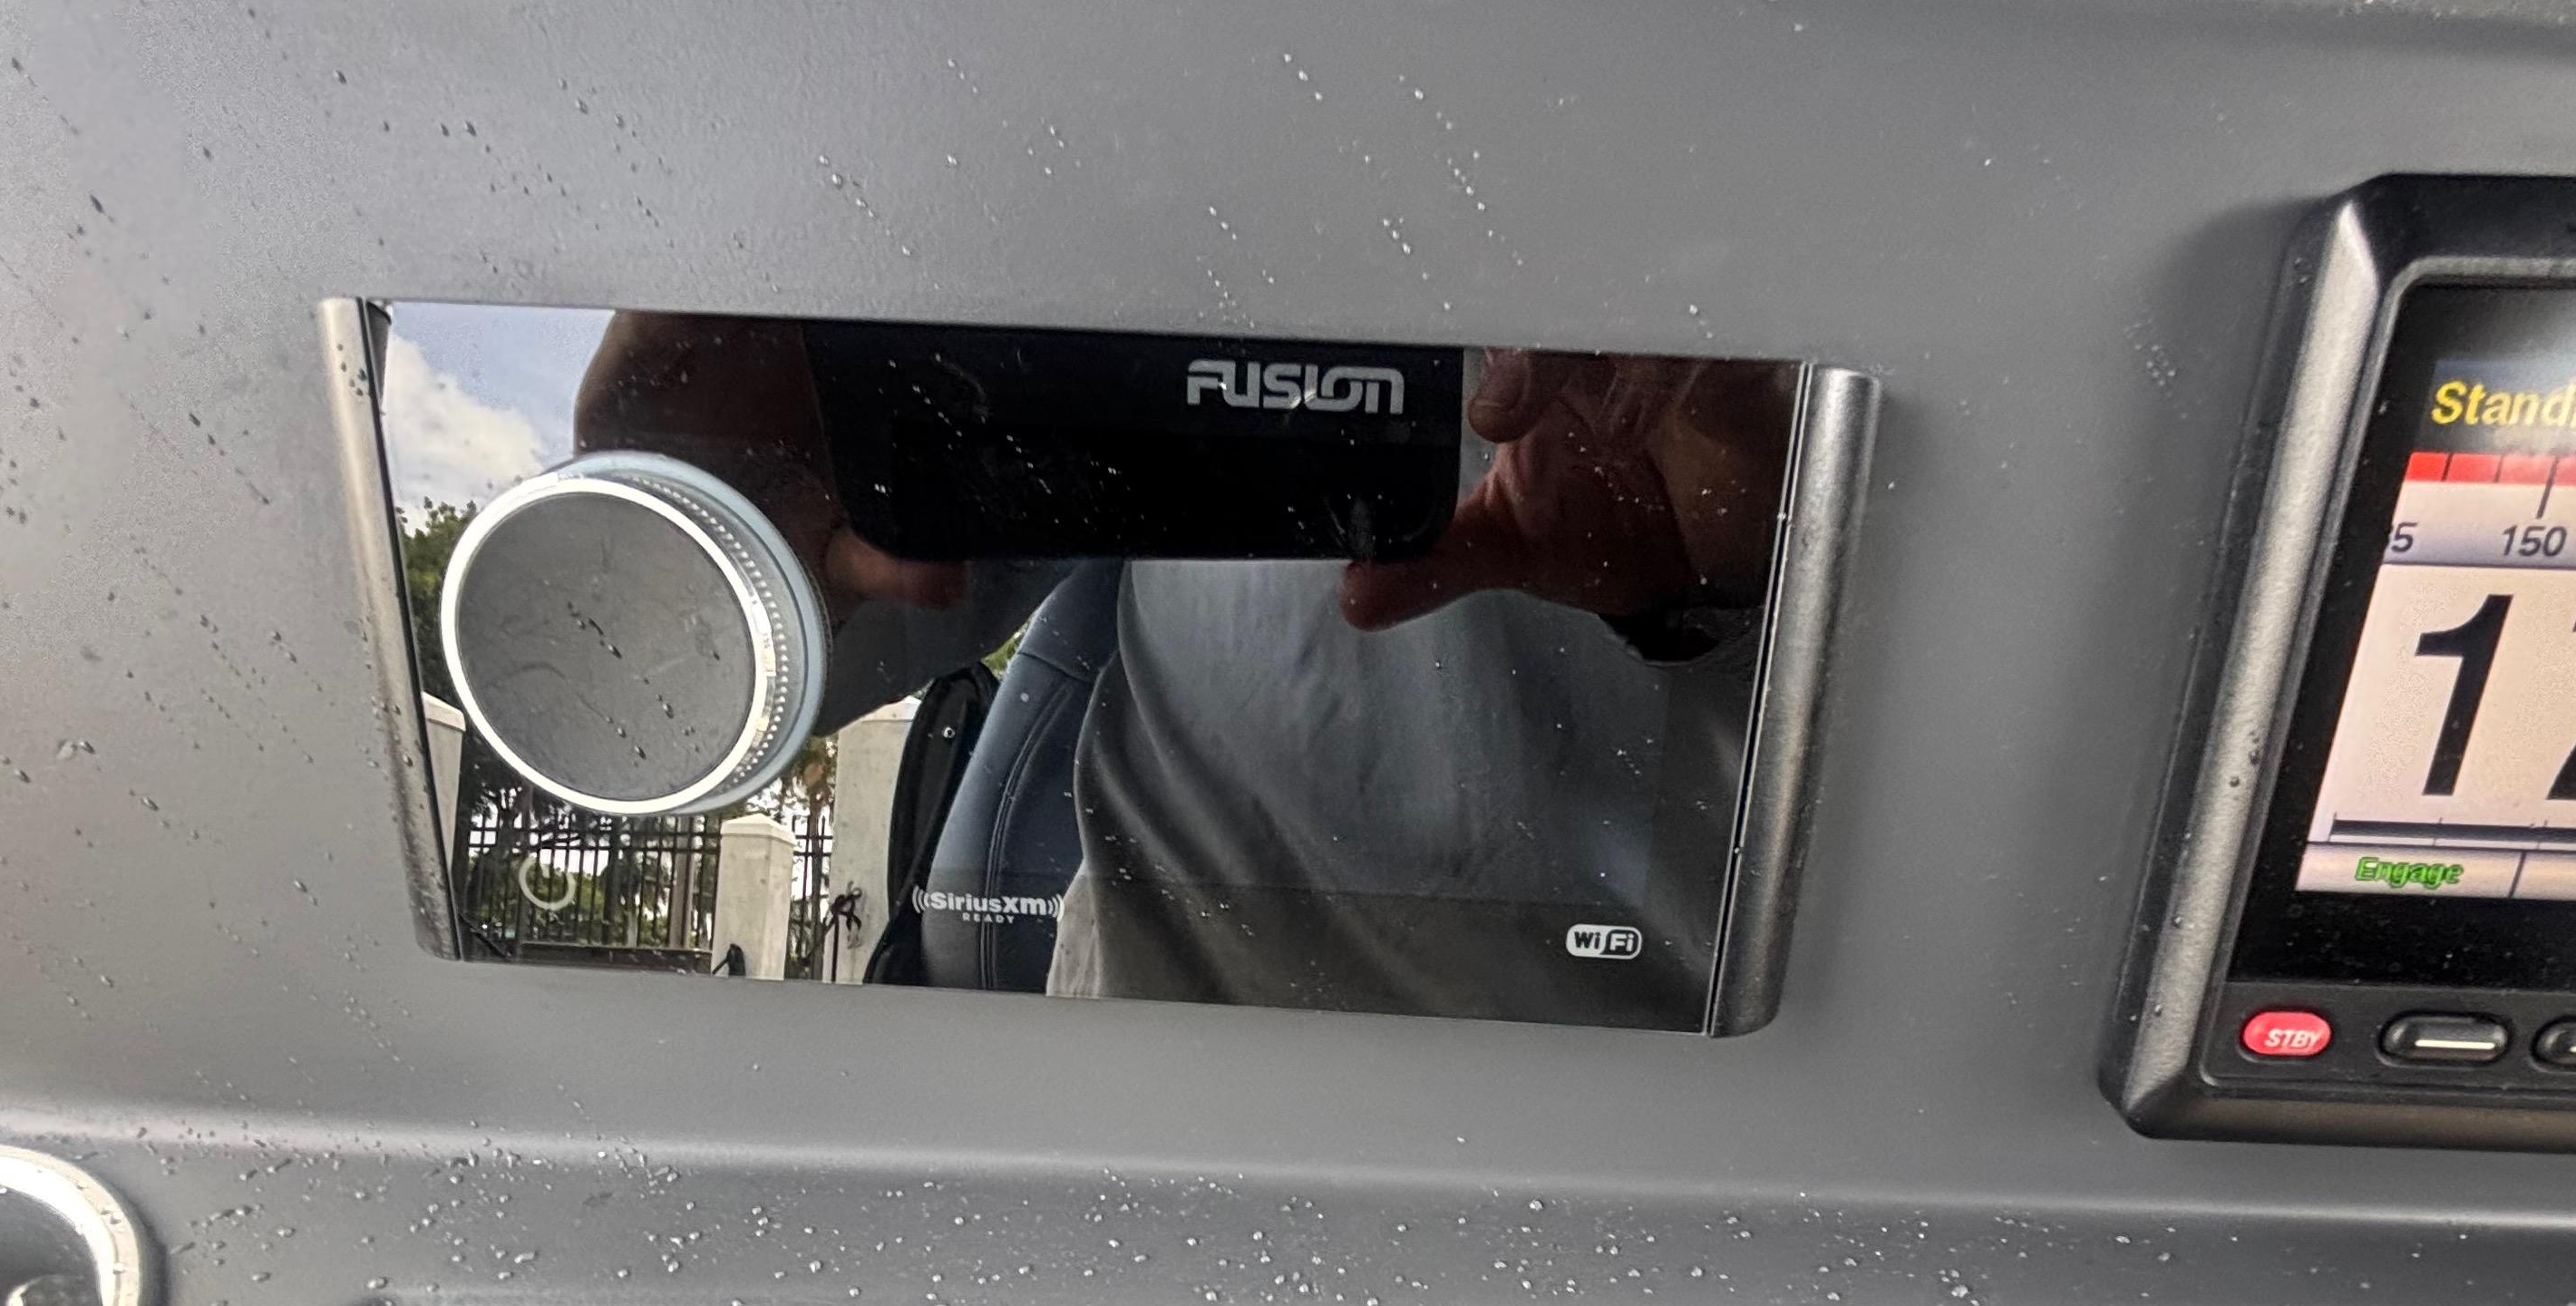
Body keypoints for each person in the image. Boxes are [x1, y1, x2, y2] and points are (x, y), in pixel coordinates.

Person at [570, 320, 1794, 1021]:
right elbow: (709, 673)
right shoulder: (1105, 110)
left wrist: (1772, 549)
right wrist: (672, 516)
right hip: (1167, 1056)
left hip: (1656, 1078)